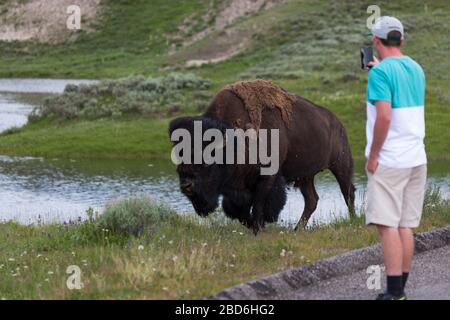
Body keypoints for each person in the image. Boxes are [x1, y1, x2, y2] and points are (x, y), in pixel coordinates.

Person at [365, 16, 427, 300]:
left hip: (390, 160)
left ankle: (393, 294)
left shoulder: (380, 74)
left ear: (376, 41)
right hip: (416, 158)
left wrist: (374, 155)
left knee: (387, 226)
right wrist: (380, 70)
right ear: (401, 39)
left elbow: (385, 116)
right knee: (405, 225)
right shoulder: (415, 68)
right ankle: (398, 289)